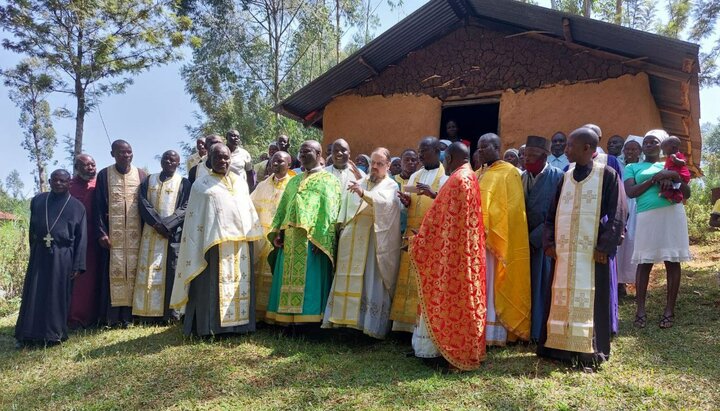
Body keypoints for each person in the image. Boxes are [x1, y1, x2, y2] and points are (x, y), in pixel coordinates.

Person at [539, 127, 626, 367]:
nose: (566, 150)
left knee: (592, 299)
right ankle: (558, 348)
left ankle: (590, 349)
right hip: (563, 254)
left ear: (587, 148)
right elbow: (551, 214)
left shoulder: (606, 175)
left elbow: (618, 213)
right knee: (559, 295)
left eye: (570, 146)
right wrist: (549, 243)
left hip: (592, 254)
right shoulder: (564, 177)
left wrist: (604, 246)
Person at [170, 144, 263, 337]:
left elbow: (247, 210)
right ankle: (209, 327)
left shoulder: (239, 182)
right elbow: (196, 219)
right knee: (211, 287)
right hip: (212, 245)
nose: (223, 161)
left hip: (241, 245)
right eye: (218, 157)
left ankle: (241, 326)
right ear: (209, 160)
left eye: (226, 157)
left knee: (241, 283)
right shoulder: (200, 185)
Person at [411, 142, 487, 371]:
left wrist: (421, 239)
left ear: (451, 156)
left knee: (449, 300)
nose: (443, 160)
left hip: (452, 255)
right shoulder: (469, 176)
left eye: (445, 156)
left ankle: (449, 352)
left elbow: (441, 218)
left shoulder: (457, 180)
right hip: (463, 251)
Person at [323, 148, 401, 338]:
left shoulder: (391, 185)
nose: (374, 167)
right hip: (350, 240)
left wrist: (364, 193)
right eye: (372, 163)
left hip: (373, 241)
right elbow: (344, 208)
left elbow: (387, 204)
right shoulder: (359, 182)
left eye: (379, 164)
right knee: (346, 277)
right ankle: (342, 323)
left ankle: (367, 326)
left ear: (388, 166)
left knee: (369, 279)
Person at [265, 140, 342, 325]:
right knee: (287, 280)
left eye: (306, 151)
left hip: (313, 241)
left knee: (310, 283)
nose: (302, 155)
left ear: (318, 154)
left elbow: (331, 212)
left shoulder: (329, 180)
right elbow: (283, 208)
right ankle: (285, 320)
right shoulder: (294, 180)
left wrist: (323, 240)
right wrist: (278, 233)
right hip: (290, 240)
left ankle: (310, 322)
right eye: (300, 152)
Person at [625, 130, 691, 330]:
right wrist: (655, 179)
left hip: (672, 214)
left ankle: (669, 311)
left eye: (654, 141)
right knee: (644, 262)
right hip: (646, 216)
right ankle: (640, 311)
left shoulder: (671, 163)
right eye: (646, 142)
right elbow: (631, 192)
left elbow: (687, 192)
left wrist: (672, 174)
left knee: (672, 261)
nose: (649, 144)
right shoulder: (632, 167)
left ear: (662, 145)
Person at [16, 169, 86, 347]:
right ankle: (27, 333)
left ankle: (54, 333)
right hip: (40, 252)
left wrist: (78, 265)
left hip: (63, 255)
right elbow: (32, 229)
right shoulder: (38, 200)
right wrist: (34, 250)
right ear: (49, 181)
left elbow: (81, 238)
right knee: (34, 293)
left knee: (56, 294)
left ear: (70, 183)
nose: (58, 184)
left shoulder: (77, 207)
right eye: (55, 180)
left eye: (63, 181)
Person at [476, 133, 531, 345]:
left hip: (497, 241)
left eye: (484, 147)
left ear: (497, 147)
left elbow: (514, 210)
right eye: (479, 148)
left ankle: (495, 332)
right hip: (477, 240)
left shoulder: (509, 172)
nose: (480, 152)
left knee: (494, 282)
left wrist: (493, 226)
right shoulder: (477, 172)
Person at [391, 137, 448, 332]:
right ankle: (403, 325)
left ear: (437, 150)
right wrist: (407, 202)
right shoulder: (416, 175)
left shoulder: (445, 176)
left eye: (424, 150)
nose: (420, 154)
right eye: (419, 150)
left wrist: (433, 193)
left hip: (431, 235)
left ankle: (421, 326)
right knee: (406, 276)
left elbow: (448, 204)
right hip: (412, 231)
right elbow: (412, 202)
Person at [132, 150, 191, 322]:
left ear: (178, 164)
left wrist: (167, 225)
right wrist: (156, 223)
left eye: (173, 161)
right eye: (166, 159)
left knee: (171, 271)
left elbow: (185, 207)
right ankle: (145, 313)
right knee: (147, 270)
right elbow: (143, 203)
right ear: (161, 161)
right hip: (150, 232)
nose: (169, 162)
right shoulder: (149, 180)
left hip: (171, 235)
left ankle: (169, 313)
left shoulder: (183, 182)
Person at [95, 140, 145, 327]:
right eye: (121, 152)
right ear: (112, 154)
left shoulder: (141, 175)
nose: (126, 156)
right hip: (112, 237)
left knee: (134, 273)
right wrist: (101, 233)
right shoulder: (104, 175)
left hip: (136, 235)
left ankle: (133, 316)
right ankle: (112, 318)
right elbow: (98, 207)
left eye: (129, 152)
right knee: (113, 274)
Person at [521, 136, 564, 342]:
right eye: (525, 155)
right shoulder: (521, 177)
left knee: (542, 285)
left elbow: (557, 213)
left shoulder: (558, 176)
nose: (527, 159)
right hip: (521, 240)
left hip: (543, 241)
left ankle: (539, 331)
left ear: (544, 156)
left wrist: (534, 238)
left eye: (532, 156)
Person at [250, 151, 295, 321]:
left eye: (280, 161)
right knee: (258, 275)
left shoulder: (293, 184)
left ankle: (275, 315)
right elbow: (250, 206)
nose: (275, 164)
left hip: (280, 239)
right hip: (262, 238)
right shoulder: (262, 185)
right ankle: (258, 314)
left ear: (289, 165)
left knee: (277, 275)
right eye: (273, 161)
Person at [68, 154, 99, 329]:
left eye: (92, 164)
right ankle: (74, 318)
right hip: (74, 242)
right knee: (77, 281)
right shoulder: (68, 186)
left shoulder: (99, 185)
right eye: (86, 165)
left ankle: (93, 317)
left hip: (95, 240)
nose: (91, 168)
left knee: (93, 280)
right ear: (77, 168)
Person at [616, 136, 644, 295]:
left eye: (633, 149)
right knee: (620, 244)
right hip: (621, 203)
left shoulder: (642, 167)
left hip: (636, 206)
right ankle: (619, 283)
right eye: (627, 149)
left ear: (639, 151)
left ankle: (635, 283)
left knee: (633, 242)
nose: (630, 152)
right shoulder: (618, 164)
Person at [326, 139, 365, 225]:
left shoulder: (360, 175)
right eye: (335, 151)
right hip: (327, 221)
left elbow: (366, 199)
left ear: (349, 153)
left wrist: (361, 181)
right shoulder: (323, 174)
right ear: (331, 154)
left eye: (343, 150)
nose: (339, 153)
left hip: (350, 222)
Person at [659, 136, 691, 203]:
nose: (663, 152)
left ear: (673, 147)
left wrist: (675, 159)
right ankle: (671, 196)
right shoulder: (668, 157)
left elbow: (683, 163)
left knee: (672, 185)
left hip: (682, 175)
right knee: (670, 185)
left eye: (664, 149)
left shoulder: (677, 155)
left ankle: (677, 197)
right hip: (674, 176)